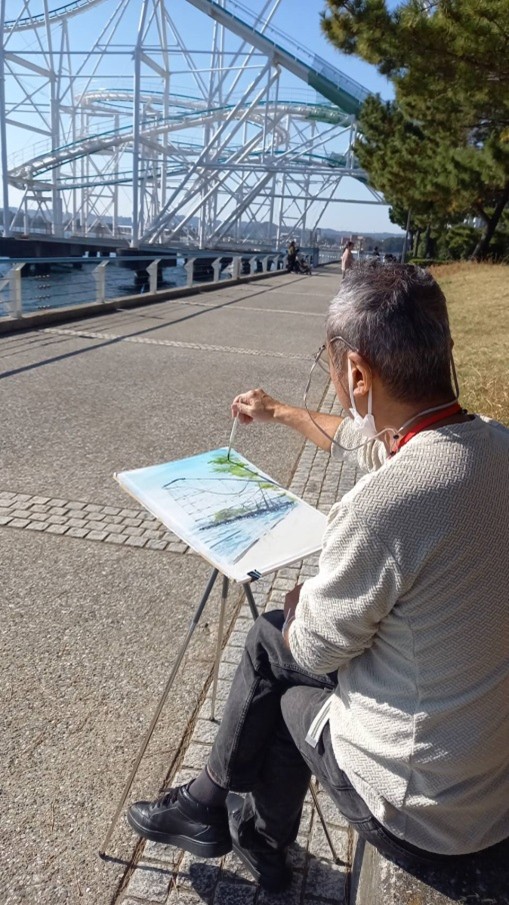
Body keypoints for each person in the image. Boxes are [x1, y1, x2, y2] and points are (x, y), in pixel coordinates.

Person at [127, 265, 509, 892]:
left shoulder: (386, 504)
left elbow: (312, 651)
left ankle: (233, 823)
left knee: (276, 666)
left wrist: (305, 601)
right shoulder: (492, 444)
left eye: (330, 364)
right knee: (273, 649)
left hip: (423, 808)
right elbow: (363, 440)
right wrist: (278, 410)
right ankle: (223, 817)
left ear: (357, 373)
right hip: (487, 775)